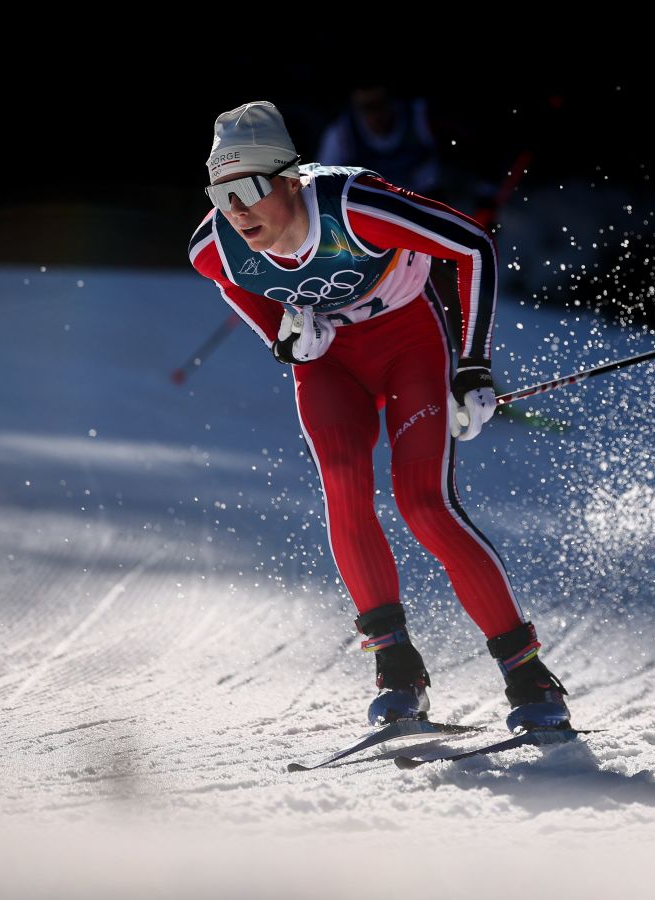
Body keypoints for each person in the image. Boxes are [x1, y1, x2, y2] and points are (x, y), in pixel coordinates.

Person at [187, 101, 570, 733]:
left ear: (291, 179)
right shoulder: (216, 246)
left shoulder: (354, 208)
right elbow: (233, 285)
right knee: (343, 488)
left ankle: (526, 674)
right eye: (220, 193)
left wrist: (473, 367)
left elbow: (472, 246)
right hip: (330, 363)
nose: (236, 209)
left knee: (424, 505)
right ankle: (396, 668)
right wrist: (284, 340)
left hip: (408, 343)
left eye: (250, 188)